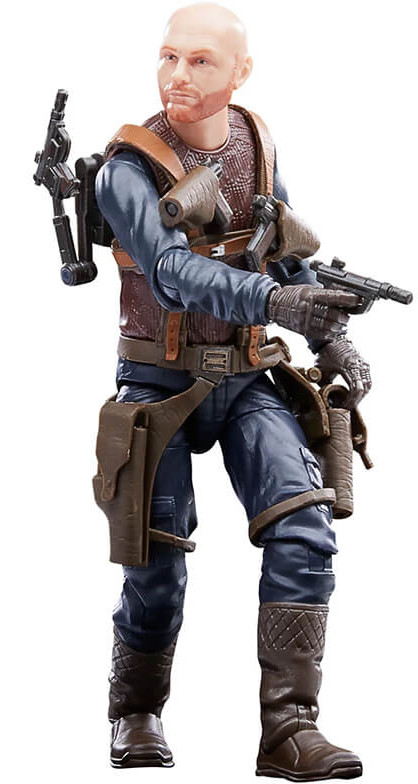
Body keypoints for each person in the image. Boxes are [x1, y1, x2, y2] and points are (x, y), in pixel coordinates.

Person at [94, 3, 370, 779]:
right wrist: (277, 302)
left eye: (201, 60)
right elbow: (172, 274)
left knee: (305, 529)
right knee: (154, 561)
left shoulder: (256, 142)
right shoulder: (128, 168)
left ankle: (289, 729)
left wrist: (331, 337)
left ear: (240, 73)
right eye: (168, 56)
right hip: (158, 381)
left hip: (247, 375)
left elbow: (280, 244)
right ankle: (135, 711)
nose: (178, 75)